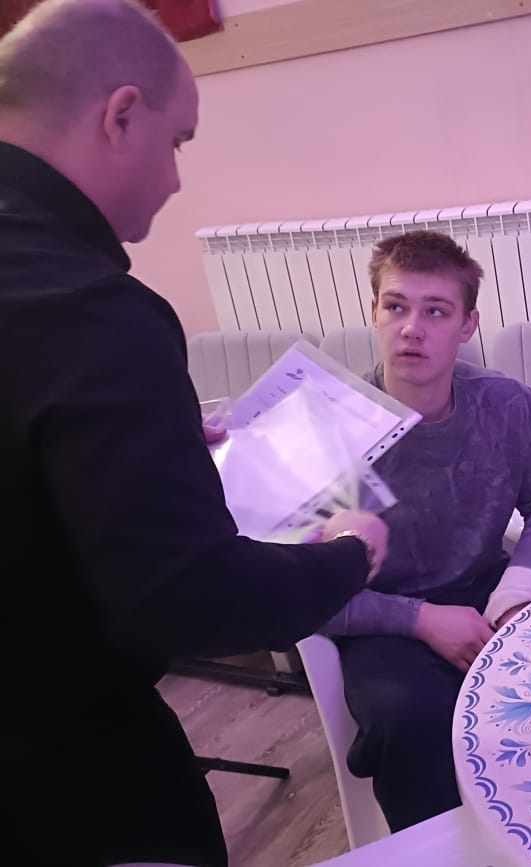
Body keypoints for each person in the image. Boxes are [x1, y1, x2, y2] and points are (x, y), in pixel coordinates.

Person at [0, 3, 388, 865]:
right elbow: (188, 596)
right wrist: (347, 555)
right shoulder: (92, 312)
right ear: (120, 114)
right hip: (58, 773)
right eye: (177, 141)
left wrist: (146, 446)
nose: (177, 180)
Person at [324, 230, 531, 831]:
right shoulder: (330, 427)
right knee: (409, 719)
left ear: (467, 325)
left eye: (436, 311)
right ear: (374, 312)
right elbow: (292, 584)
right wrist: (420, 620)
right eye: (396, 307)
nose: (411, 329)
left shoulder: (508, 405)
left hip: (487, 592)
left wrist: (517, 592)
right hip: (382, 616)